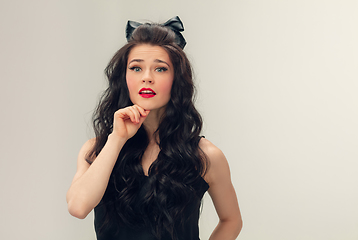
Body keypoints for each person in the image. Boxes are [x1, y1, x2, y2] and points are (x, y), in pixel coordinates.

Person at [66, 16, 242, 240]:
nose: (147, 78)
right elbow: (78, 208)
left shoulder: (204, 155)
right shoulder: (96, 150)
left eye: (160, 69)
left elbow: (232, 220)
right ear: (124, 77)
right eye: (136, 68)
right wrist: (117, 139)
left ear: (177, 79)